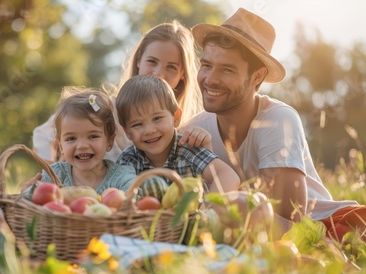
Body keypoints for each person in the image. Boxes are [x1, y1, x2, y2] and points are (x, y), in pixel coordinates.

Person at [184, 7, 365, 240]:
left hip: (321, 227)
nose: (209, 79)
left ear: (257, 77)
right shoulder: (195, 129)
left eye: (226, 69)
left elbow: (290, 219)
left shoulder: (278, 119)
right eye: (206, 65)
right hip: (239, 233)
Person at [0, 87, 137, 252]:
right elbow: (20, 205)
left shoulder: (121, 177)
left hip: (98, 247)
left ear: (109, 142)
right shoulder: (56, 175)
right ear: (60, 145)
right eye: (71, 138)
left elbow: (138, 207)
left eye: (93, 136)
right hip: (47, 243)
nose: (81, 145)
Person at [32, 20, 210, 164]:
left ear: (183, 75)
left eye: (171, 67)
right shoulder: (104, 109)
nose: (159, 73)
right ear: (139, 60)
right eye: (152, 62)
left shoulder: (183, 126)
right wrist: (52, 174)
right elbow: (43, 135)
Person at [115, 74, 240, 195]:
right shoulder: (128, 160)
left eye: (157, 118)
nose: (149, 130)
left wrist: (207, 209)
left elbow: (228, 176)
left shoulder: (189, 150)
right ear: (127, 132)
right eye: (137, 124)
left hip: (191, 215)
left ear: (175, 118)